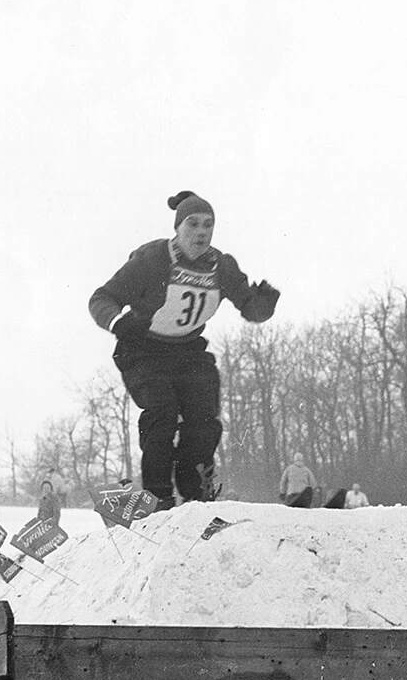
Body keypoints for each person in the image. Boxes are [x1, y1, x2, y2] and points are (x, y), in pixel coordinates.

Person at [89, 192, 279, 511]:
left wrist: (264, 304)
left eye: (208, 225)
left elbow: (250, 308)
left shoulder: (221, 266)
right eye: (192, 224)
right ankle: (158, 494)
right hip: (143, 348)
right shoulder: (152, 259)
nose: (201, 232)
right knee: (161, 414)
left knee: (204, 418)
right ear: (178, 228)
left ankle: (195, 491)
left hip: (188, 349)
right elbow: (100, 299)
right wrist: (118, 323)